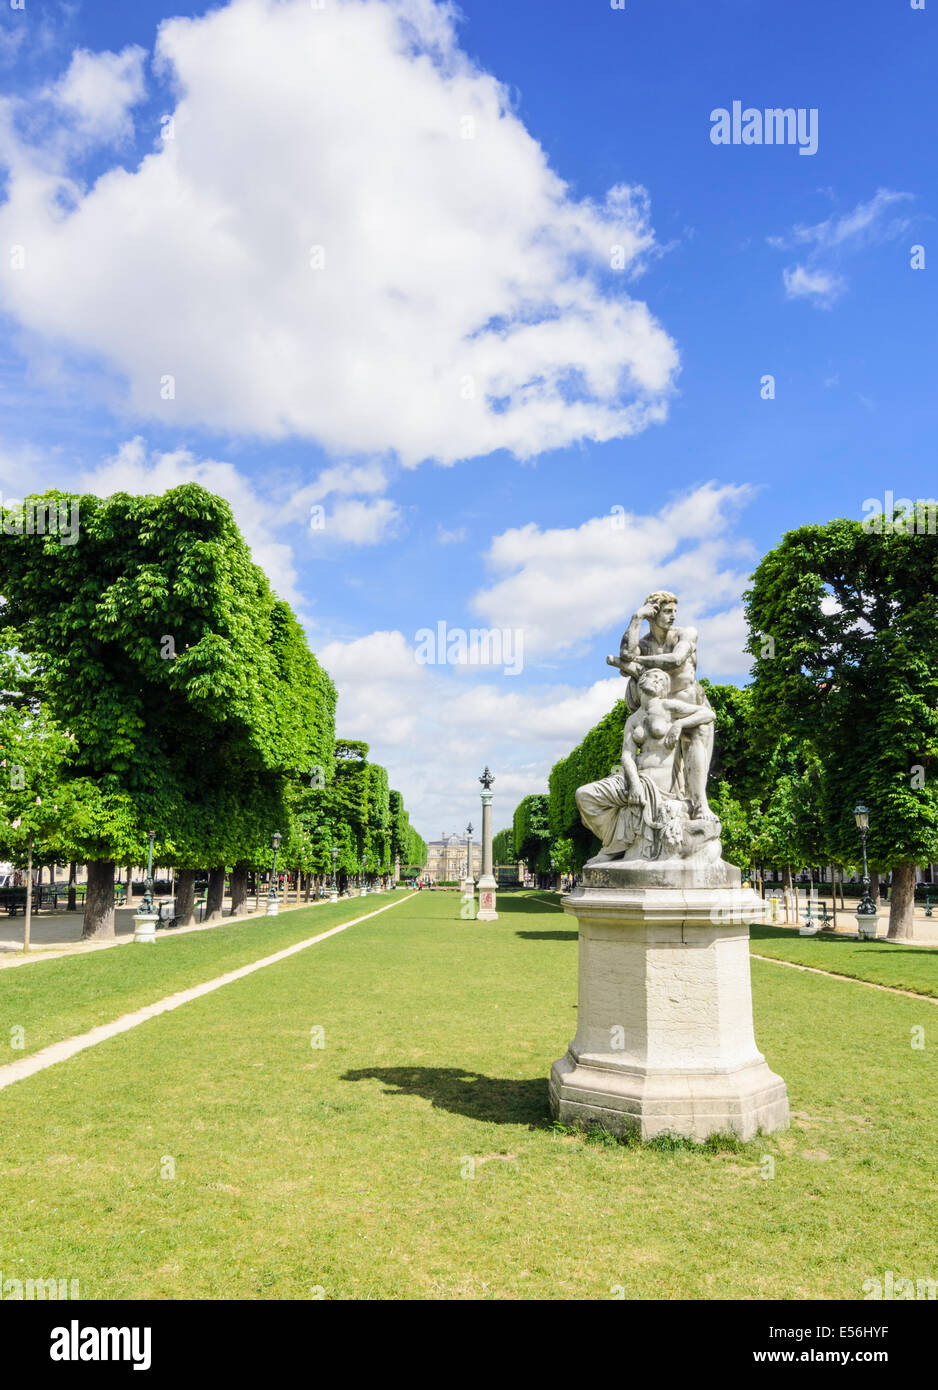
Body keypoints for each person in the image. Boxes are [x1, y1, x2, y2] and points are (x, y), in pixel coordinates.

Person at [576, 668, 719, 862]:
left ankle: (616, 848)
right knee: (585, 795)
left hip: (660, 784)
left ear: (663, 689)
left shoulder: (668, 706)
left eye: (661, 679)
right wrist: (634, 782)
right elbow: (627, 755)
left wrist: (679, 725)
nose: (656, 679)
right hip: (635, 778)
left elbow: (707, 714)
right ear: (642, 681)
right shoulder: (633, 719)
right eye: (652, 676)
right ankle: (614, 844)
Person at [606, 590, 715, 820]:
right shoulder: (644, 644)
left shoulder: (685, 634)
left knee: (699, 731)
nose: (673, 616)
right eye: (667, 611)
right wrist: (637, 617)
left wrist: (636, 661)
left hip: (690, 710)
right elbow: (626, 652)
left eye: (675, 611)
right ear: (653, 614)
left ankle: (701, 805)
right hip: (658, 714)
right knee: (663, 770)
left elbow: (676, 660)